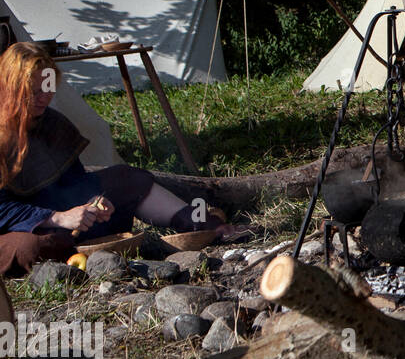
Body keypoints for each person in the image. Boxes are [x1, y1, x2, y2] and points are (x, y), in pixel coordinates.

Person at [0, 43, 247, 283]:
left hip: (60, 218)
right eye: (34, 91)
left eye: (49, 87)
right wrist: (57, 218)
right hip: (18, 229)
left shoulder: (52, 122)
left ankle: (200, 223)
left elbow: (73, 181)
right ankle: (70, 250)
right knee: (31, 247)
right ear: (12, 88)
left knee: (127, 178)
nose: (45, 97)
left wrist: (93, 201)